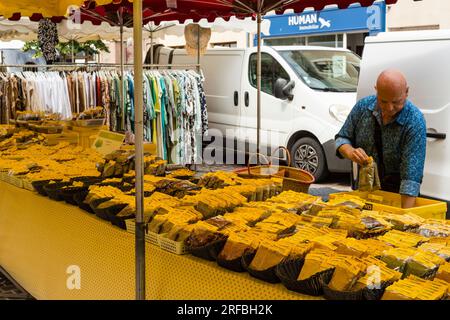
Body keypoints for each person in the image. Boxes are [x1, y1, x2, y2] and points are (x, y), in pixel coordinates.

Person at [335, 69, 427, 208]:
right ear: (376, 90)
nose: (389, 108)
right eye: (383, 101)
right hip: (365, 193)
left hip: (397, 197)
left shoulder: (414, 120)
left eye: (396, 102)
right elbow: (342, 138)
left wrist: (404, 218)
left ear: (406, 92)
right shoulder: (362, 107)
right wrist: (350, 152)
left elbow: (411, 177)